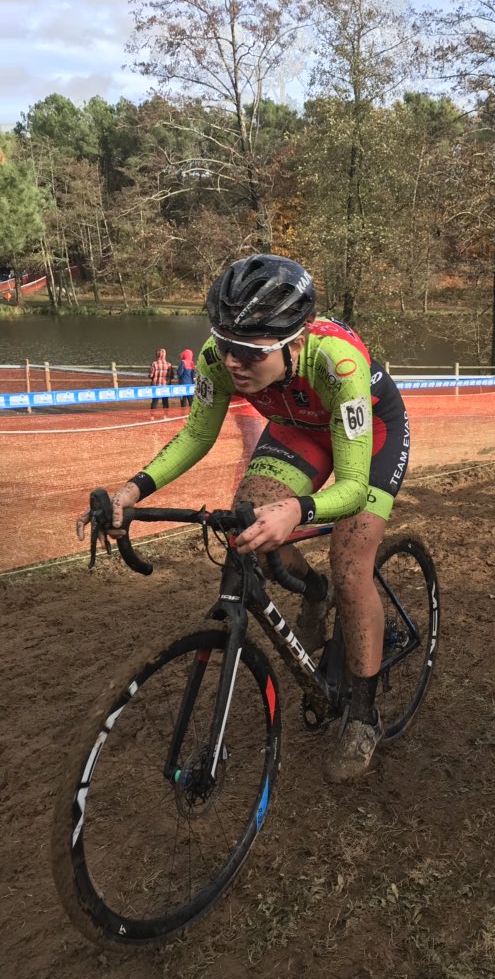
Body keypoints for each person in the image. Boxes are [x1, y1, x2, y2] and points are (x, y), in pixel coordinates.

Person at [77, 254, 410, 784]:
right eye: (224, 342)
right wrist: (133, 490)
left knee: (351, 566)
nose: (232, 361)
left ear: (296, 342)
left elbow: (350, 488)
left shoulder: (338, 363)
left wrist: (297, 509)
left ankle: (364, 717)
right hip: (297, 427)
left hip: (370, 437)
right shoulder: (219, 357)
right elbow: (196, 434)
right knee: (247, 522)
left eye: (251, 352)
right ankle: (315, 591)